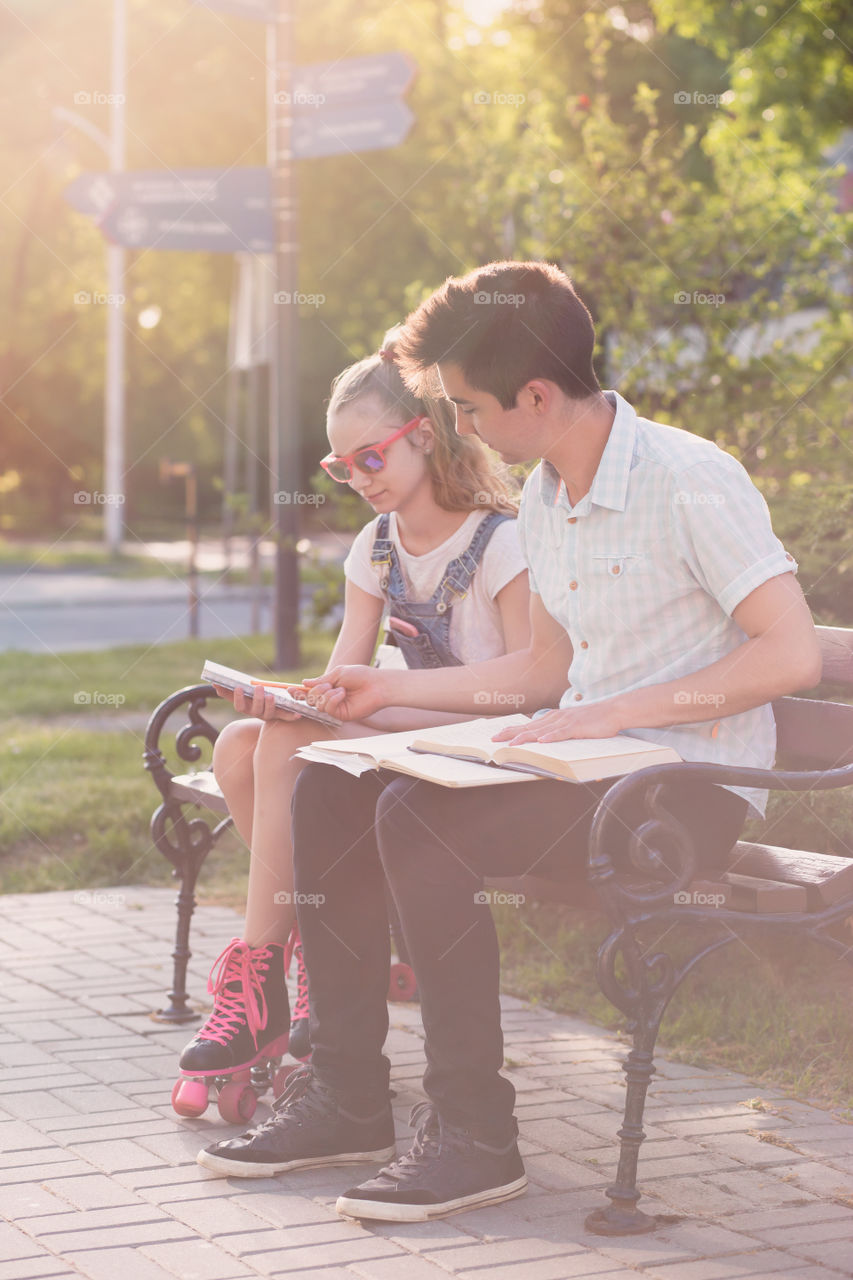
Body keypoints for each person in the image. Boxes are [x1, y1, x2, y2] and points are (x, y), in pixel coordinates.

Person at [198, 261, 820, 1221]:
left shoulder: (690, 479)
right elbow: (538, 675)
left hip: (685, 788)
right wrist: (377, 694)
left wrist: (620, 710)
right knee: (328, 784)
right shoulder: (545, 497)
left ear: (535, 395)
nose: (466, 430)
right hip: (585, 763)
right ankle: (349, 1096)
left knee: (421, 823)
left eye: (471, 409)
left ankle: (475, 1136)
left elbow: (789, 656)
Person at [177, 327, 531, 1095]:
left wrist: (352, 700)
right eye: (342, 466)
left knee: (284, 737)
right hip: (404, 731)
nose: (359, 478)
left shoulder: (502, 541)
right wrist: (287, 696)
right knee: (245, 742)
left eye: (372, 457)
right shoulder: (374, 546)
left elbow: (527, 687)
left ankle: (262, 979)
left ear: (428, 436)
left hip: (484, 740)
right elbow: (346, 674)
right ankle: (305, 955)